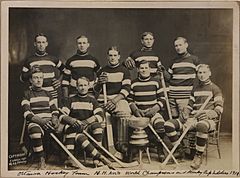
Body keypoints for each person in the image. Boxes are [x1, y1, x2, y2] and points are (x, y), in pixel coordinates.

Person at [164, 64, 224, 169]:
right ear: (197, 74)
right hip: (193, 119)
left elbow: (219, 108)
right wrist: (186, 112)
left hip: (208, 121)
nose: (202, 75)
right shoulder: (195, 89)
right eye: (199, 72)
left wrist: (208, 114)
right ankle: (179, 150)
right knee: (169, 124)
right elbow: (189, 106)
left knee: (201, 125)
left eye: (204, 72)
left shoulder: (215, 89)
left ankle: (198, 155)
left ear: (209, 73)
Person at [60, 77, 114, 169]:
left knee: (97, 126)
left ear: (89, 86)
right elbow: (62, 116)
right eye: (80, 85)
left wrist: (87, 121)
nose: (83, 87)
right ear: (76, 87)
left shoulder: (92, 100)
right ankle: (98, 157)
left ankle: (96, 159)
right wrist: (72, 120)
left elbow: (100, 115)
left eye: (85, 85)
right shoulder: (70, 100)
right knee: (79, 136)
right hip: (75, 129)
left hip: (87, 128)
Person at [94, 46, 131, 154]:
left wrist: (114, 101)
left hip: (118, 99)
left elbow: (126, 89)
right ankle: (103, 148)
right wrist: (99, 83)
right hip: (103, 100)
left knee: (124, 112)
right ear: (107, 57)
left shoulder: (124, 71)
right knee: (101, 119)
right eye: (110, 55)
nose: (113, 57)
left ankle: (122, 145)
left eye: (115, 55)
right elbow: (96, 90)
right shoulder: (102, 71)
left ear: (119, 56)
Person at [21, 65, 60, 170]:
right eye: (35, 78)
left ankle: (65, 157)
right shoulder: (27, 94)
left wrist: (54, 119)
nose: (38, 80)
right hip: (36, 122)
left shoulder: (48, 93)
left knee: (64, 128)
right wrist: (42, 122)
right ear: (30, 80)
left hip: (49, 122)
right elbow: (27, 114)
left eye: (40, 78)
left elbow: (55, 110)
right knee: (35, 131)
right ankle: (41, 159)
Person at [128, 60, 166, 162]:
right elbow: (130, 100)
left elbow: (162, 99)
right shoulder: (133, 83)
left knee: (160, 124)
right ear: (138, 69)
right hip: (139, 113)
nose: (144, 70)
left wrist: (154, 109)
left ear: (150, 69)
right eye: (142, 68)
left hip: (153, 112)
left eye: (146, 68)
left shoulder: (156, 82)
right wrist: (135, 110)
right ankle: (132, 150)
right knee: (129, 124)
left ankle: (160, 149)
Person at [20, 33, 66, 107]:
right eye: (39, 42)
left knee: (53, 115)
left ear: (46, 44)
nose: (41, 45)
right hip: (35, 95)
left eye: (43, 42)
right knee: (39, 115)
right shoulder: (29, 60)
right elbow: (22, 78)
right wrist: (30, 72)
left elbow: (65, 70)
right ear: (35, 44)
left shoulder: (53, 59)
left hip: (52, 94)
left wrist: (59, 80)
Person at [161, 37, 200, 119]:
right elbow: (169, 79)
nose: (178, 47)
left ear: (186, 45)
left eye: (180, 45)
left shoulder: (194, 60)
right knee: (174, 120)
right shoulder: (173, 61)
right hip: (172, 96)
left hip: (185, 96)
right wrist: (163, 71)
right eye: (176, 46)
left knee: (183, 119)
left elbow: (200, 76)